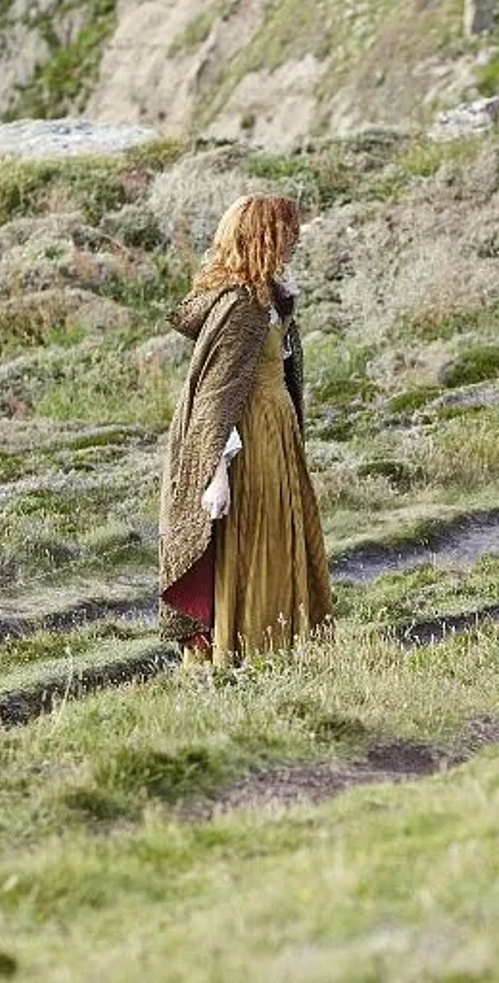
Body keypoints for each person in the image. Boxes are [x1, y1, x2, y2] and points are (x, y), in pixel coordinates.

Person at [159, 193, 332, 666]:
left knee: (277, 539)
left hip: (277, 435)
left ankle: (284, 645)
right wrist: (214, 475)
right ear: (265, 239)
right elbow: (215, 399)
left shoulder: (267, 298)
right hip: (249, 443)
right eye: (287, 234)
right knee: (253, 544)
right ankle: (250, 650)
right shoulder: (240, 307)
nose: (295, 243)